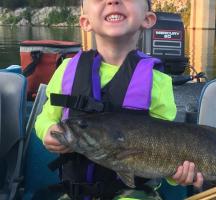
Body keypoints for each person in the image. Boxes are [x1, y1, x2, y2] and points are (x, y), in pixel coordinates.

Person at [35, 0, 203, 199]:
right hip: (74, 192)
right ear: (85, 22)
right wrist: (47, 130)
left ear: (147, 19)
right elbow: (45, 118)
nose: (113, 1)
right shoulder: (66, 71)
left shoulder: (158, 82)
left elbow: (166, 145)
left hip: (135, 194)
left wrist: (178, 175)